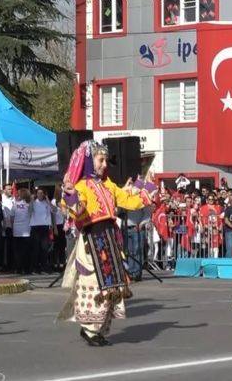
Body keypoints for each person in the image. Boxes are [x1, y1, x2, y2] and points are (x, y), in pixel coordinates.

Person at [57, 140, 155, 347]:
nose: (104, 164)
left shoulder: (108, 185)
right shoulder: (81, 186)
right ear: (89, 162)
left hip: (110, 240)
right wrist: (71, 194)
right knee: (94, 285)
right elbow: (77, 211)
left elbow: (128, 200)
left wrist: (146, 191)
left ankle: (99, 329)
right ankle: (90, 329)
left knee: (114, 286)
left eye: (105, 160)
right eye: (100, 160)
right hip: (92, 241)